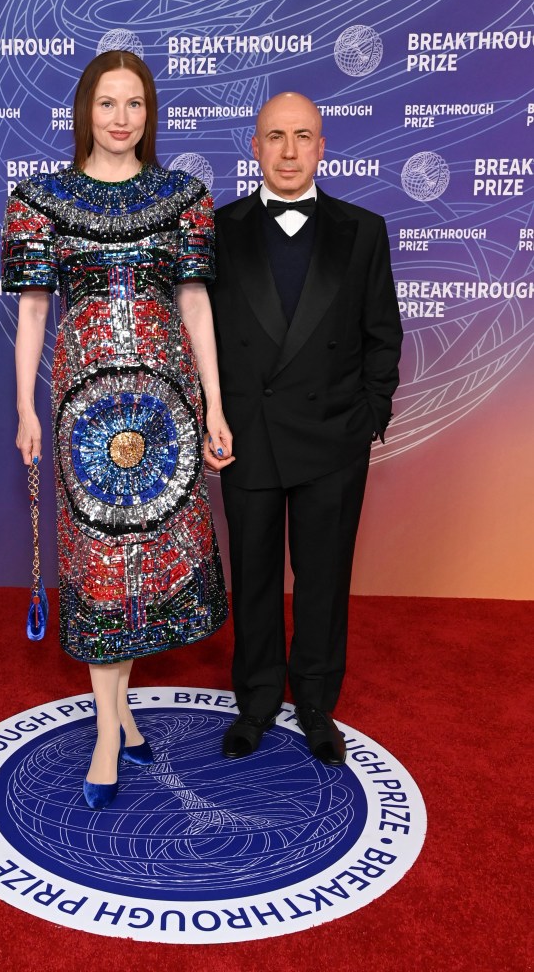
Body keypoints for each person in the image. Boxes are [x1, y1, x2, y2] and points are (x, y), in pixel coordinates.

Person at [2, 50, 234, 809]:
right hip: (83, 411)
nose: (121, 119)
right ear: (84, 112)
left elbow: (197, 306)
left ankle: (120, 715)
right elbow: (34, 309)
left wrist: (216, 405)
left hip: (166, 411)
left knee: (146, 555)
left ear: (150, 113)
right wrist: (25, 407)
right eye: (107, 104)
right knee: (102, 557)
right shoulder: (39, 199)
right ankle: (108, 730)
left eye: (134, 104)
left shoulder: (184, 197)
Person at [209, 92, 402, 766]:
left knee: (323, 576)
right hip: (248, 436)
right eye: (274, 137)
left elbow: (383, 338)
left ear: (322, 147)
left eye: (302, 137)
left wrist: (368, 420)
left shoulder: (363, 230)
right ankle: (257, 701)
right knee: (254, 574)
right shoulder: (217, 230)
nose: (288, 151)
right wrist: (214, 416)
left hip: (333, 438)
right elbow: (199, 335)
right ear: (254, 148)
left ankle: (317, 705)